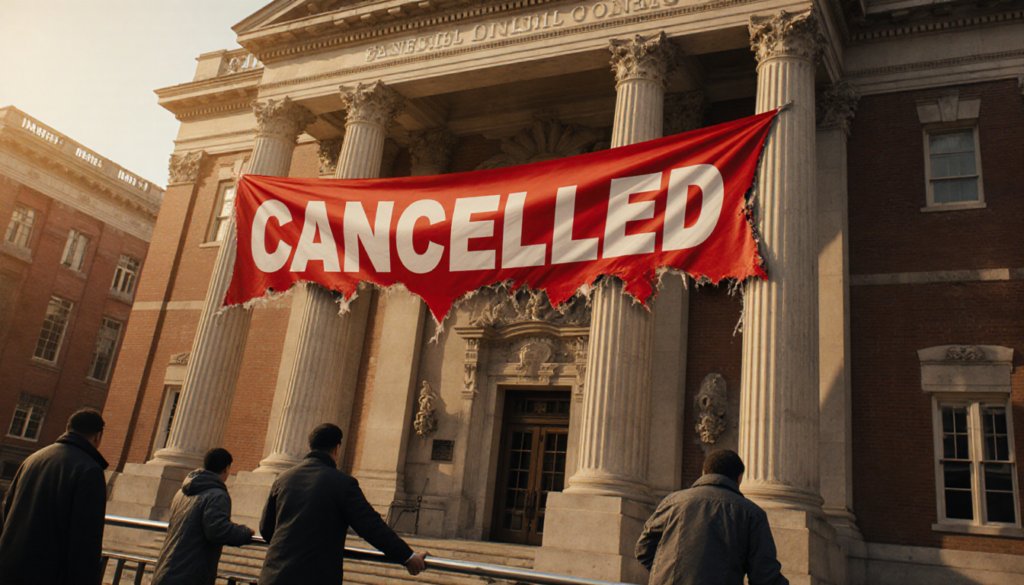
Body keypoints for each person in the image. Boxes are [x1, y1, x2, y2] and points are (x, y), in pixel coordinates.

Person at [259, 423, 429, 584]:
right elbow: (371, 526)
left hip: (272, 575)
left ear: (311, 446)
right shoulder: (342, 483)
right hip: (314, 577)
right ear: (337, 448)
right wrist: (408, 557)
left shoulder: (283, 479)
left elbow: (266, 530)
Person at [635, 450, 788, 585]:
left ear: (704, 473)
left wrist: (665, 572)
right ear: (739, 478)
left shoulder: (672, 502)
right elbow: (764, 574)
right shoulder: (751, 513)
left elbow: (643, 549)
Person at [0, 409, 109, 585]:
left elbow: (8, 507)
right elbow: (86, 539)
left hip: (11, 567)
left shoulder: (33, 459)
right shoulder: (89, 470)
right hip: (49, 573)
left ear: (68, 428)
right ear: (98, 436)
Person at [152, 448, 254, 585]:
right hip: (190, 574)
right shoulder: (217, 495)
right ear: (226, 469)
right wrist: (244, 532)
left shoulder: (182, 492)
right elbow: (218, 530)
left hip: (167, 568)